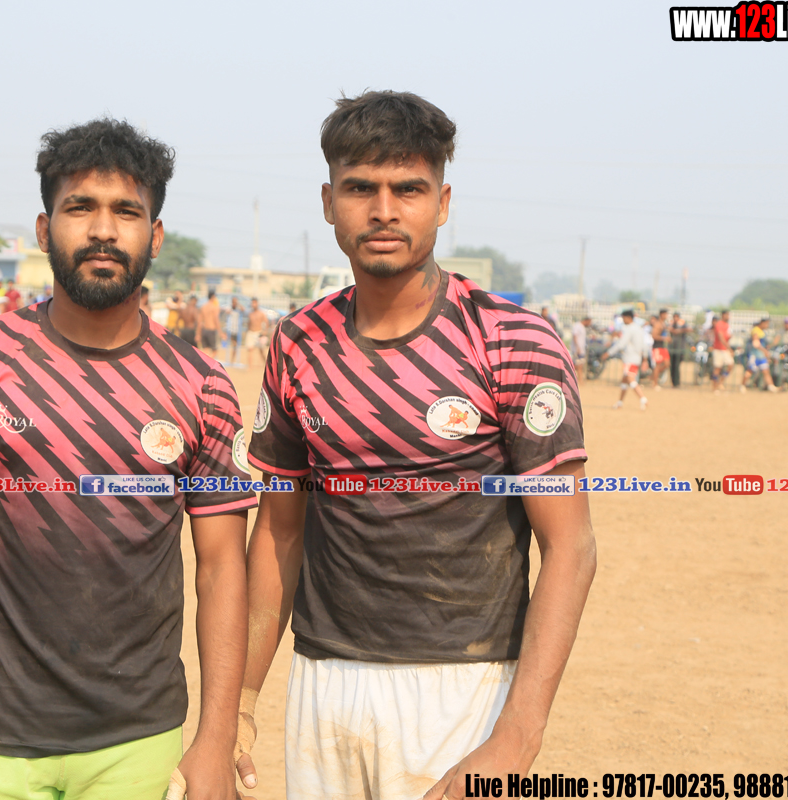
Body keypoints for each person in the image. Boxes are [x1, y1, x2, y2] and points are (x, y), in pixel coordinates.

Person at [0, 118, 256, 800]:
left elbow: (221, 567)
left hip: (139, 741)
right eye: (80, 208)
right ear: (44, 230)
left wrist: (215, 738)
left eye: (126, 211)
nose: (103, 230)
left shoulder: (202, 385)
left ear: (155, 236)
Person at [234, 91, 595, 800]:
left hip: (466, 688)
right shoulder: (298, 343)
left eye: (408, 189)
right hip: (324, 682)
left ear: (443, 202)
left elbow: (571, 546)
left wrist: (516, 739)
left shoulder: (512, 340)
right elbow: (279, 531)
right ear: (328, 201)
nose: (384, 210)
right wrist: (240, 705)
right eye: (359, 188)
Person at [607, 307, 648, 410]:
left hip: (630, 358)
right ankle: (620, 403)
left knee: (630, 379)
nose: (623, 320)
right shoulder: (639, 329)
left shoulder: (629, 329)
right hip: (636, 358)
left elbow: (621, 344)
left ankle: (643, 399)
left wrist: (609, 353)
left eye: (624, 318)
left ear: (628, 318)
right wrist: (645, 359)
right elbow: (644, 345)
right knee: (624, 381)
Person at [742, 316, 778, 393]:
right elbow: (756, 344)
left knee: (766, 371)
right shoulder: (756, 330)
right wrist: (765, 351)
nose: (767, 326)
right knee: (750, 371)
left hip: (761, 356)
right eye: (767, 324)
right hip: (754, 355)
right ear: (762, 323)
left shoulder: (762, 331)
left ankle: (771, 386)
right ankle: (742, 385)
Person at [711, 309, 734, 393]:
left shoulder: (727, 325)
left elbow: (726, 337)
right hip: (718, 349)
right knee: (717, 368)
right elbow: (721, 338)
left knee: (730, 365)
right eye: (727, 315)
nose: (728, 317)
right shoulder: (719, 324)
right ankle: (714, 387)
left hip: (724, 349)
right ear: (723, 315)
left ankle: (720, 382)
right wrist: (729, 349)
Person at [244, 297, 269, 369]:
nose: (253, 304)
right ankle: (250, 366)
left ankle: (266, 365)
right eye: (252, 303)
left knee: (261, 351)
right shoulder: (250, 313)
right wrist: (247, 331)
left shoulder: (261, 313)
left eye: (254, 303)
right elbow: (249, 323)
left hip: (259, 333)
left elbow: (266, 322)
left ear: (257, 303)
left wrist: (265, 331)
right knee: (250, 349)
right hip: (250, 332)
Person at [649, 308, 671, 389]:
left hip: (663, 347)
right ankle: (655, 383)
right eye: (665, 314)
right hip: (657, 347)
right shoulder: (657, 324)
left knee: (667, 364)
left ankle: (653, 376)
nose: (666, 316)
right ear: (661, 315)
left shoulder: (664, 324)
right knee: (657, 365)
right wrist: (664, 338)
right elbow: (654, 336)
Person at [668, 311, 690, 388]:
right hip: (672, 348)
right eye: (674, 317)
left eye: (677, 317)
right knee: (672, 366)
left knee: (677, 366)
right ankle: (673, 382)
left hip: (680, 349)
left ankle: (677, 382)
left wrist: (680, 331)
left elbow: (689, 329)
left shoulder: (682, 324)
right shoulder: (671, 324)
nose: (675, 318)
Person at [199, 288, 221, 358]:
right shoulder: (215, 307)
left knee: (206, 350)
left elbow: (200, 321)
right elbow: (216, 320)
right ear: (213, 297)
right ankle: (209, 362)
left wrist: (198, 333)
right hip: (211, 330)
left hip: (204, 330)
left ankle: (206, 361)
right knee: (214, 351)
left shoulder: (203, 307)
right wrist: (220, 332)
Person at [223, 296, 244, 367]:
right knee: (230, 343)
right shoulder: (229, 307)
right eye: (233, 302)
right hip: (230, 329)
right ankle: (229, 360)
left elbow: (243, 310)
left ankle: (232, 360)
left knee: (235, 345)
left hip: (236, 330)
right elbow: (227, 311)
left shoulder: (238, 309)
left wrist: (238, 304)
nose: (234, 303)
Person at [570, 314, 590, 380]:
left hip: (581, 350)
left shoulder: (582, 327)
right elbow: (575, 336)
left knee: (580, 366)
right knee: (578, 366)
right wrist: (577, 347)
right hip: (577, 350)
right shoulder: (577, 326)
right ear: (586, 320)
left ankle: (580, 380)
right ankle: (579, 380)